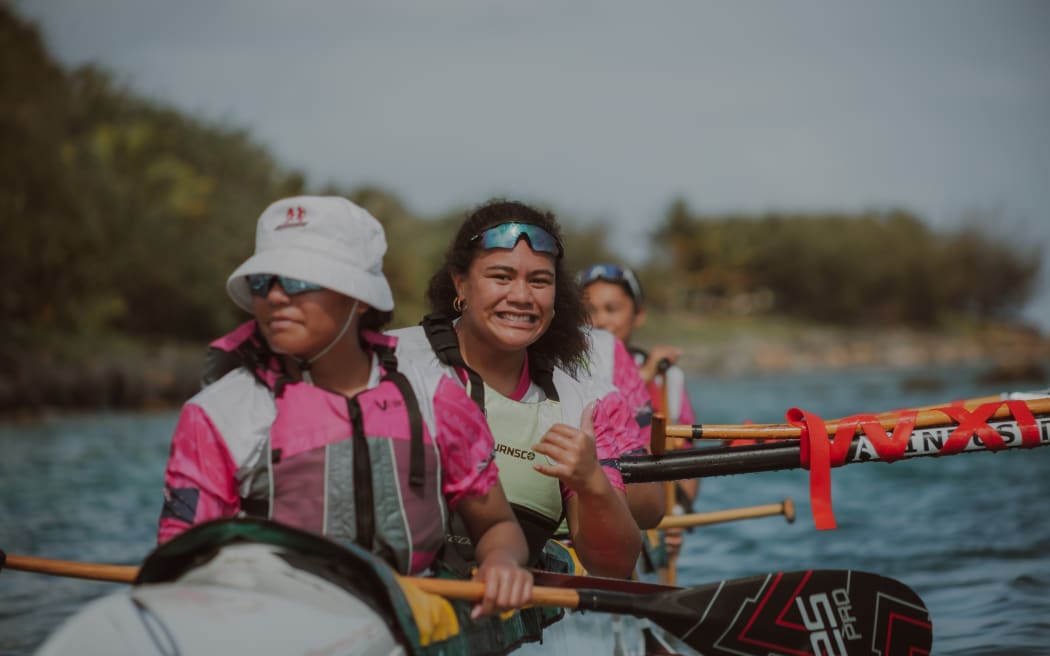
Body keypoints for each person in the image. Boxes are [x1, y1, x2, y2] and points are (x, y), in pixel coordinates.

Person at [157, 195, 532, 618]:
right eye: (265, 281)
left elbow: (499, 528)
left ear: (361, 298)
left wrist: (502, 564)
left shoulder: (435, 395)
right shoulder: (217, 414)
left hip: (408, 616)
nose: (277, 297)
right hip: (269, 619)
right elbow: (179, 562)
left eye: (300, 280)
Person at [389, 199, 644, 579]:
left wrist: (591, 483)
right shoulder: (391, 361)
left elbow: (616, 566)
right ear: (460, 283)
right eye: (501, 277)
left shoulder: (579, 405)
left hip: (508, 612)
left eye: (539, 281)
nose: (522, 296)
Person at [576, 263, 699, 564]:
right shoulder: (567, 366)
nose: (601, 320)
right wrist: (643, 373)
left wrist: (678, 515)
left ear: (638, 315)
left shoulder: (667, 378)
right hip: (588, 507)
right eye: (590, 309)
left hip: (646, 509)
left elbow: (685, 451)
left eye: (612, 309)